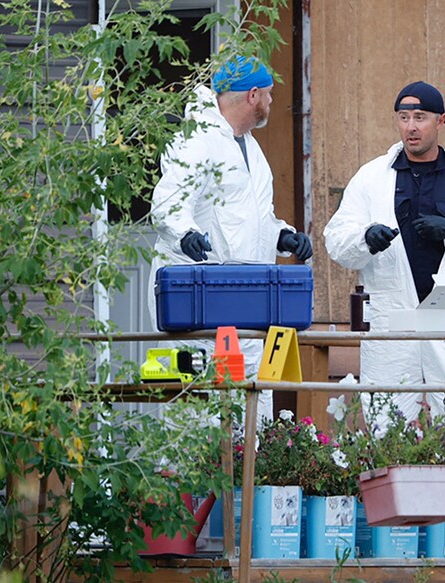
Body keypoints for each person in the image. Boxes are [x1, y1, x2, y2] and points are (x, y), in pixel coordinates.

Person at [323, 81, 445, 423]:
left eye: (421, 117)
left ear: (441, 122)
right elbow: (336, 240)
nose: (411, 127)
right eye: (403, 117)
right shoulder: (370, 178)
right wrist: (366, 240)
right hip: (389, 321)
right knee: (387, 427)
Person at [148, 56, 312, 420]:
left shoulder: (248, 146)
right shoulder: (197, 140)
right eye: (268, 95)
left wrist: (283, 237)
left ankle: (251, 475)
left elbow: (254, 217)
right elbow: (168, 202)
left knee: (252, 404)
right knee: (198, 411)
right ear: (253, 95)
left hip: (246, 302)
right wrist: (185, 234)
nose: (271, 102)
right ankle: (192, 477)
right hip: (199, 303)